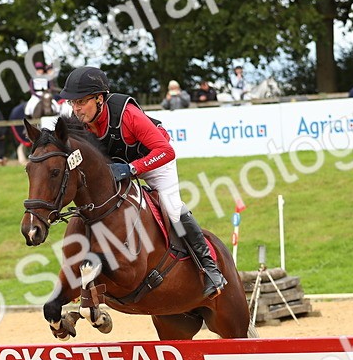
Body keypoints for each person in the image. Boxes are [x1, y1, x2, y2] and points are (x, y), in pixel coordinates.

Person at [57, 66, 226, 298]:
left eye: (81, 102)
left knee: (173, 209)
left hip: (154, 161)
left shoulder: (127, 114)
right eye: (72, 103)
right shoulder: (82, 122)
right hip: (119, 167)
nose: (76, 109)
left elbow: (166, 151)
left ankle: (210, 269)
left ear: (99, 99)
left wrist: (132, 168)